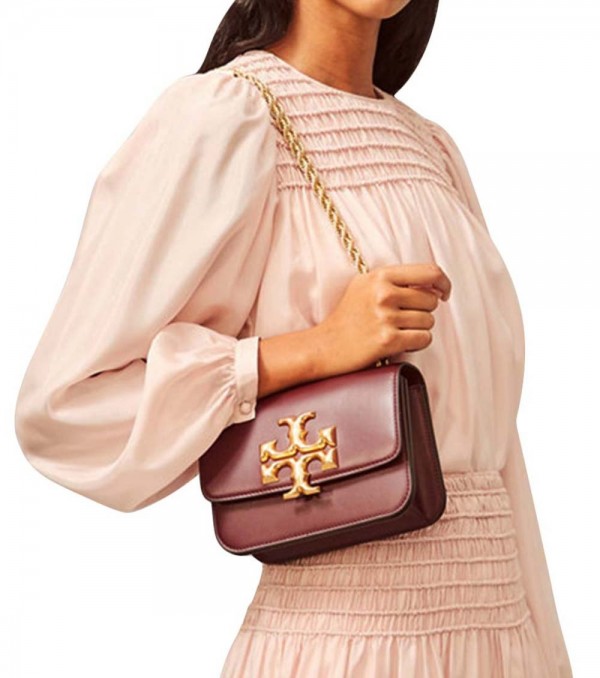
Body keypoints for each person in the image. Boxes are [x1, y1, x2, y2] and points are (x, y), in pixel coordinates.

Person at [14, 0, 572, 675]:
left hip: (502, 642)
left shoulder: (432, 149)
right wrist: (320, 346)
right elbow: (67, 407)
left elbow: (502, 457)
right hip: (343, 647)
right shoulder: (226, 120)